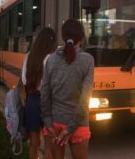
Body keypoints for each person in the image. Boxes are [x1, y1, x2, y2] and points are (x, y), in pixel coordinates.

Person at [41, 19, 94, 159]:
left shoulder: (51, 60)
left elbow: (45, 94)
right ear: (82, 37)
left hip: (54, 124)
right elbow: (85, 99)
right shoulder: (88, 60)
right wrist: (70, 128)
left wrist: (47, 122)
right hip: (79, 124)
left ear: (63, 37)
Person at [21, 27, 56, 159]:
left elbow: (24, 80)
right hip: (48, 103)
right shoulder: (52, 59)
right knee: (49, 144)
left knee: (34, 143)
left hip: (32, 102)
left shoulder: (28, 57)